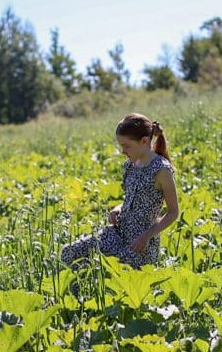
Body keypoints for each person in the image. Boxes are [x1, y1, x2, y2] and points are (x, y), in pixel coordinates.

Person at [60, 113, 179, 273]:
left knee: (110, 274)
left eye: (127, 146)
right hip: (118, 232)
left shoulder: (162, 170)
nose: (123, 151)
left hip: (139, 244)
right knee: (69, 252)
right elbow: (131, 200)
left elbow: (173, 213)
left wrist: (146, 236)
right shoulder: (130, 164)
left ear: (144, 141)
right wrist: (118, 208)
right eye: (121, 146)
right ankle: (75, 297)